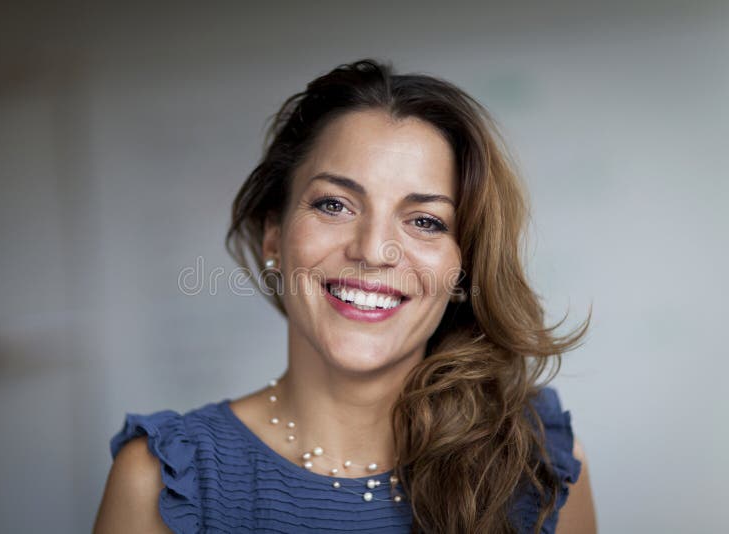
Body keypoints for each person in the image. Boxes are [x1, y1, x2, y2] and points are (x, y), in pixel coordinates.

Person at [93, 58, 597, 533]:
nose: (374, 250)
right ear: (274, 234)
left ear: (463, 265)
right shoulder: (164, 482)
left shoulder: (539, 464)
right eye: (334, 204)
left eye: (425, 221)